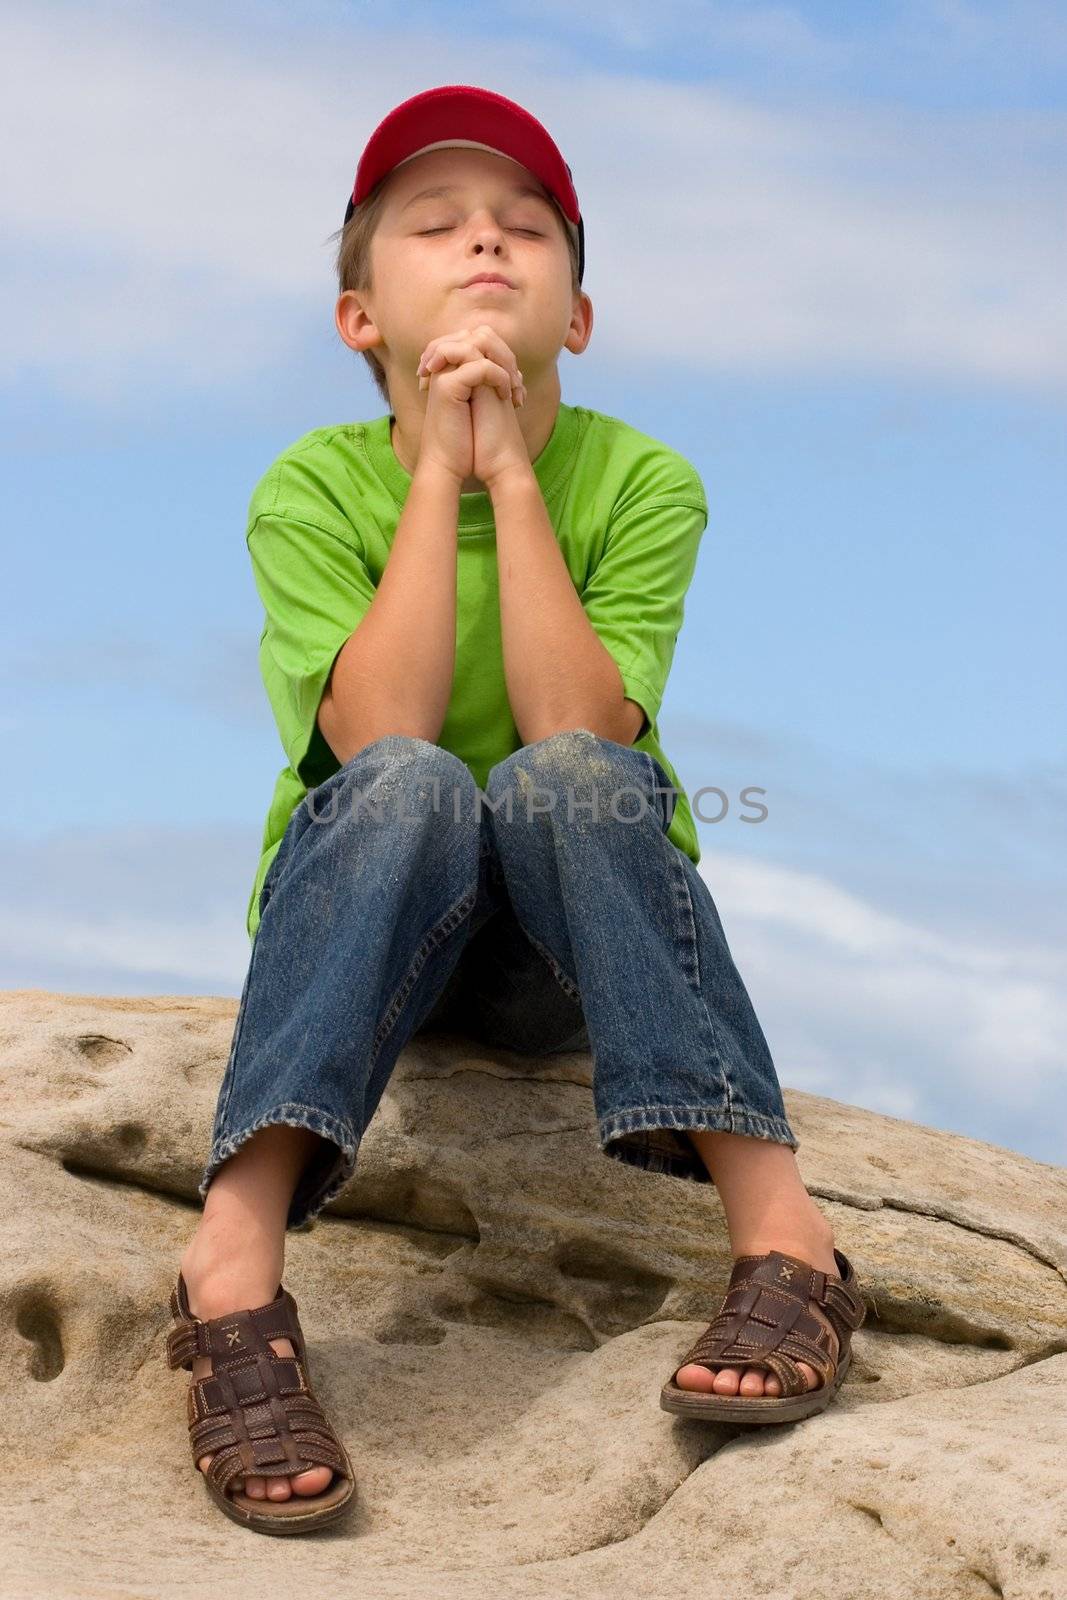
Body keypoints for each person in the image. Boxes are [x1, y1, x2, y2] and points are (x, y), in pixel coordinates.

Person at [164, 84, 867, 1535]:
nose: (487, 245)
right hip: (376, 945)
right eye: (437, 227)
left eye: (524, 228)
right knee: (413, 783)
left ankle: (788, 1241)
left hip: (568, 954)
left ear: (582, 315)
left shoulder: (641, 482)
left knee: (572, 777)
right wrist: (438, 467)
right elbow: (378, 734)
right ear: (362, 316)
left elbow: (579, 727)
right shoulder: (312, 487)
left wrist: (513, 481)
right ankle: (230, 1269)